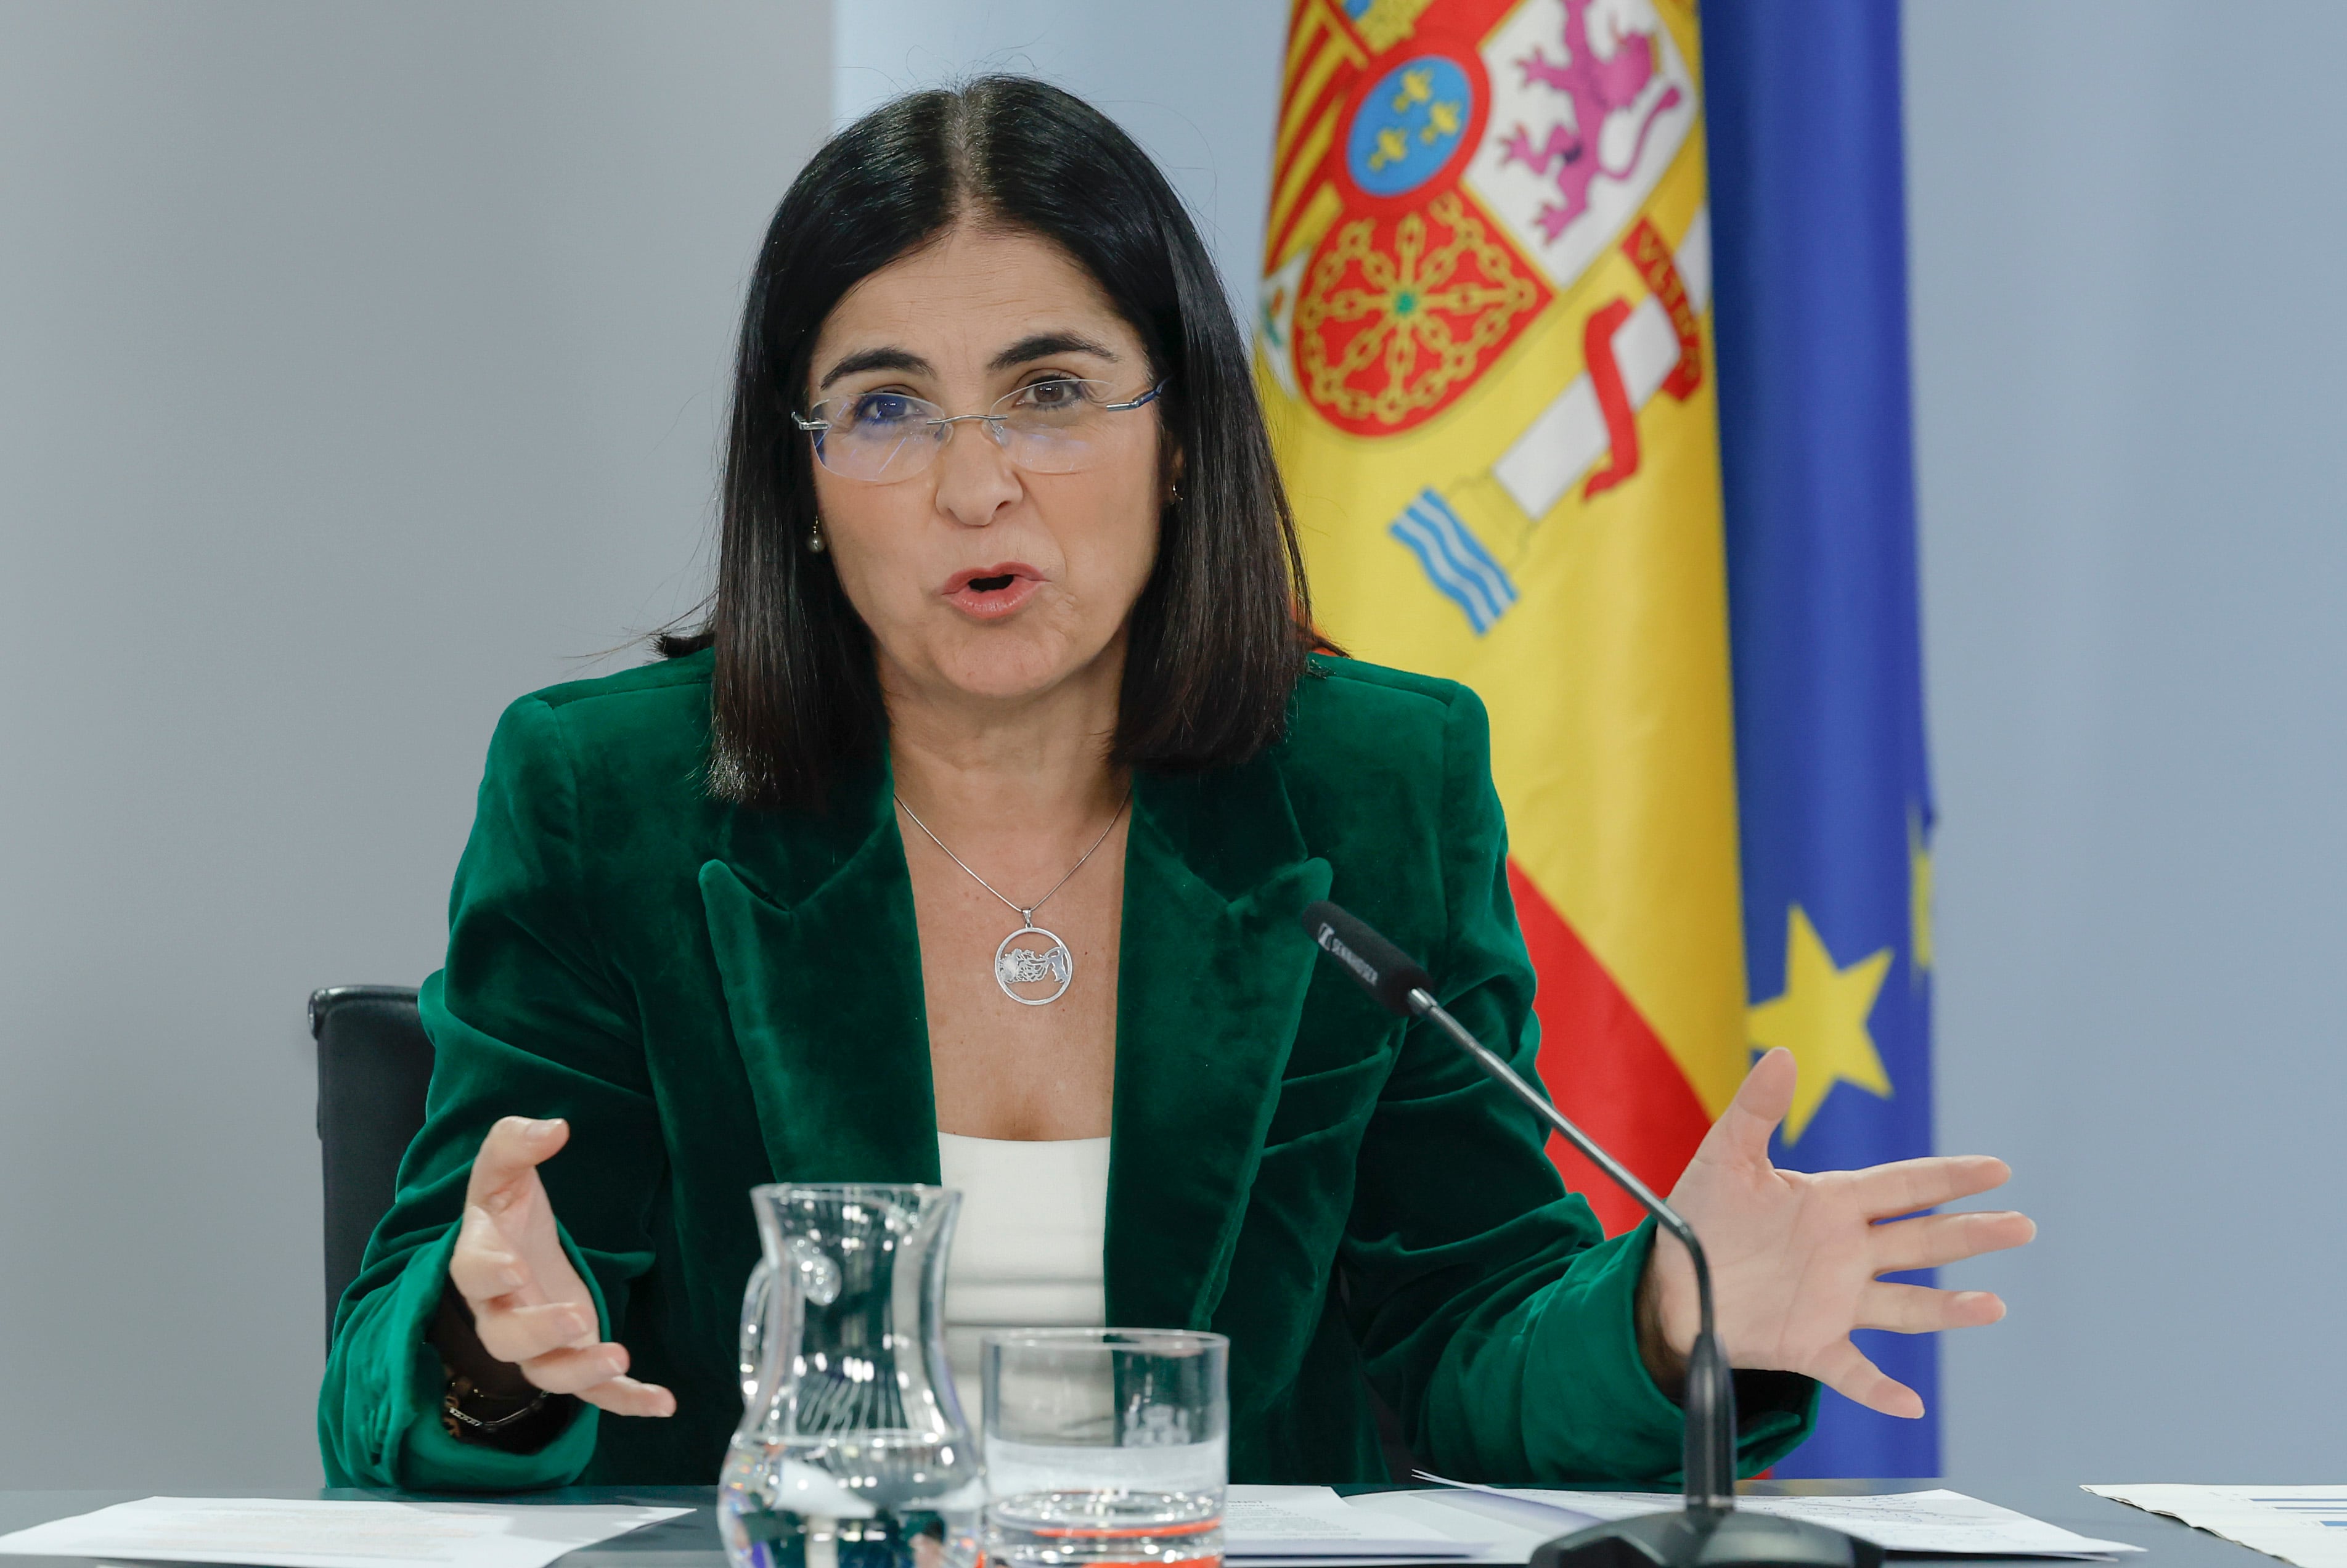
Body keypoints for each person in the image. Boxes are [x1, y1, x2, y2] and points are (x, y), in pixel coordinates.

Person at [318, 76, 2033, 1491]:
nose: (980, 486)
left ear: (1184, 429)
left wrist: (1667, 1320)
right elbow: (387, 1382)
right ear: (808, 476)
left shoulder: (1375, 783)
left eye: (1053, 394)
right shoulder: (608, 795)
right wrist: (483, 1351)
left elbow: (1466, 1326)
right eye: (888, 409)